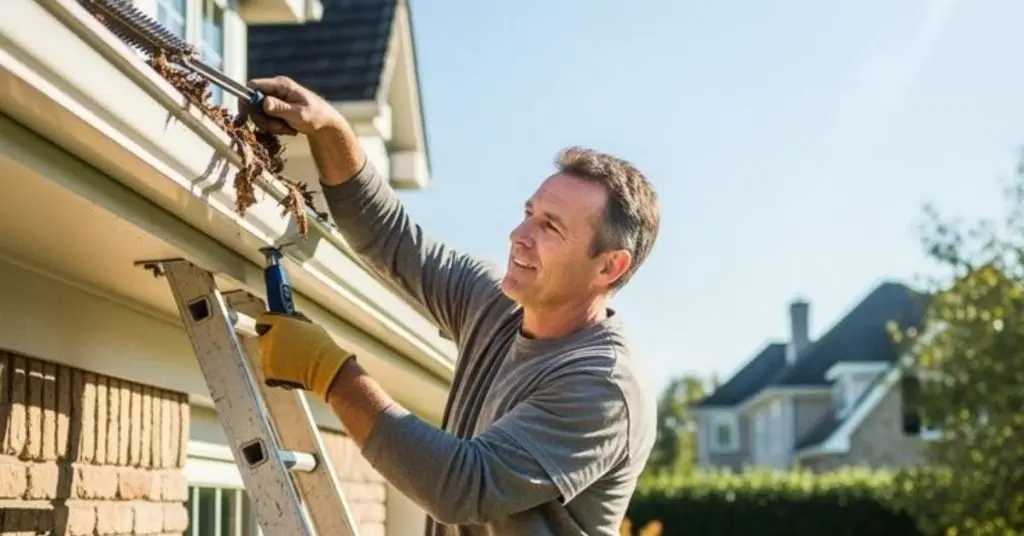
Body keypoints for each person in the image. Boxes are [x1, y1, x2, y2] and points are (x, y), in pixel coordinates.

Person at [242, 75, 661, 536]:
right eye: (528, 214)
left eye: (551, 227)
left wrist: (330, 372)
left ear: (609, 267)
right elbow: (392, 239)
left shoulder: (603, 387)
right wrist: (330, 130)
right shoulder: (496, 305)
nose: (518, 237)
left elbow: (463, 486)